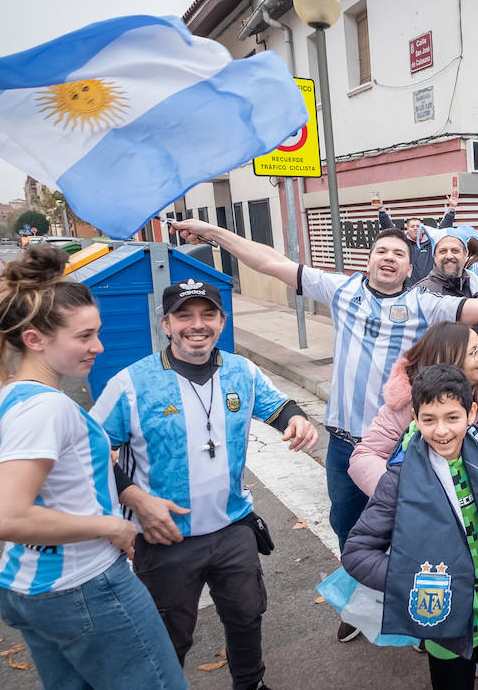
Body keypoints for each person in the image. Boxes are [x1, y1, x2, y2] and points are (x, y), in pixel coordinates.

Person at [171, 218, 478, 640]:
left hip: (403, 447)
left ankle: (423, 615)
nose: (389, 258)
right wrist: (215, 232)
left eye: (399, 254)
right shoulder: (342, 290)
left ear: (409, 268)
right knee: (349, 529)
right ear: (367, 261)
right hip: (345, 444)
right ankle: (361, 603)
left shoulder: (424, 302)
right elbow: (271, 262)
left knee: (413, 532)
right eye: (382, 251)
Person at [0, 245, 185, 689]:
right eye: (84, 336)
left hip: (27, 589)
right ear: (34, 338)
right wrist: (110, 526)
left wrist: (57, 475)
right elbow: (4, 518)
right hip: (84, 584)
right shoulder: (47, 409)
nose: (99, 346)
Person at [91, 279, 319, 690]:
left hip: (233, 526)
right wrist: (135, 498)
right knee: (169, 634)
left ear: (222, 321)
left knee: (246, 616)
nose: (197, 325)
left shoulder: (241, 371)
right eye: (184, 316)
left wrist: (297, 419)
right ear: (166, 324)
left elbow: (279, 405)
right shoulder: (129, 384)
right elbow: (87, 452)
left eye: (207, 315)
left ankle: (251, 685)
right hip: (165, 537)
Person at [342, 365, 478, 689]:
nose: (441, 430)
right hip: (445, 629)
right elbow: (356, 552)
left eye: (452, 417)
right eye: (429, 419)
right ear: (414, 417)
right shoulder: (400, 478)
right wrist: (409, 581)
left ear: (472, 412)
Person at [350, 321, 478, 498]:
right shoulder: (410, 401)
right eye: (473, 352)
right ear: (450, 361)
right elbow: (364, 456)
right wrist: (405, 491)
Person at [374, 180, 459, 286]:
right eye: (412, 226)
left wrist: (452, 209)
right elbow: (389, 228)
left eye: (418, 226)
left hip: (431, 287)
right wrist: (381, 210)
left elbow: (443, 228)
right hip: (408, 288)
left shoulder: (431, 242)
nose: (415, 228)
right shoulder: (403, 243)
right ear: (407, 229)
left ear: (422, 229)